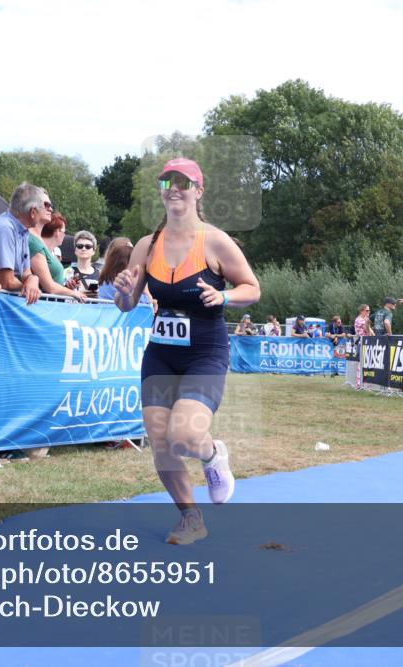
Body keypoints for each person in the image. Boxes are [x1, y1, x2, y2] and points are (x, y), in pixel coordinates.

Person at [112, 157, 260, 545]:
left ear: (198, 190)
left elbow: (252, 288)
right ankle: (190, 518)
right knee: (161, 442)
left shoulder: (214, 241)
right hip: (161, 353)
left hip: (205, 352)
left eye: (182, 182)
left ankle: (212, 454)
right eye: (166, 183)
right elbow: (126, 306)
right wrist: (126, 292)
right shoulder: (147, 245)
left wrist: (224, 294)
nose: (174, 188)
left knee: (184, 436)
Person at [0, 182, 46, 306]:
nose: (44, 212)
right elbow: (6, 282)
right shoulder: (5, 229)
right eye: (43, 208)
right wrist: (31, 289)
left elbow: (26, 273)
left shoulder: (22, 230)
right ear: (33, 212)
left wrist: (33, 279)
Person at [29, 212, 84, 301]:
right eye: (64, 232)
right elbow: (49, 287)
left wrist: (67, 287)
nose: (65, 235)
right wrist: (73, 293)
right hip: (42, 306)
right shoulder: (38, 248)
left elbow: (52, 284)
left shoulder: (49, 252)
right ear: (57, 232)